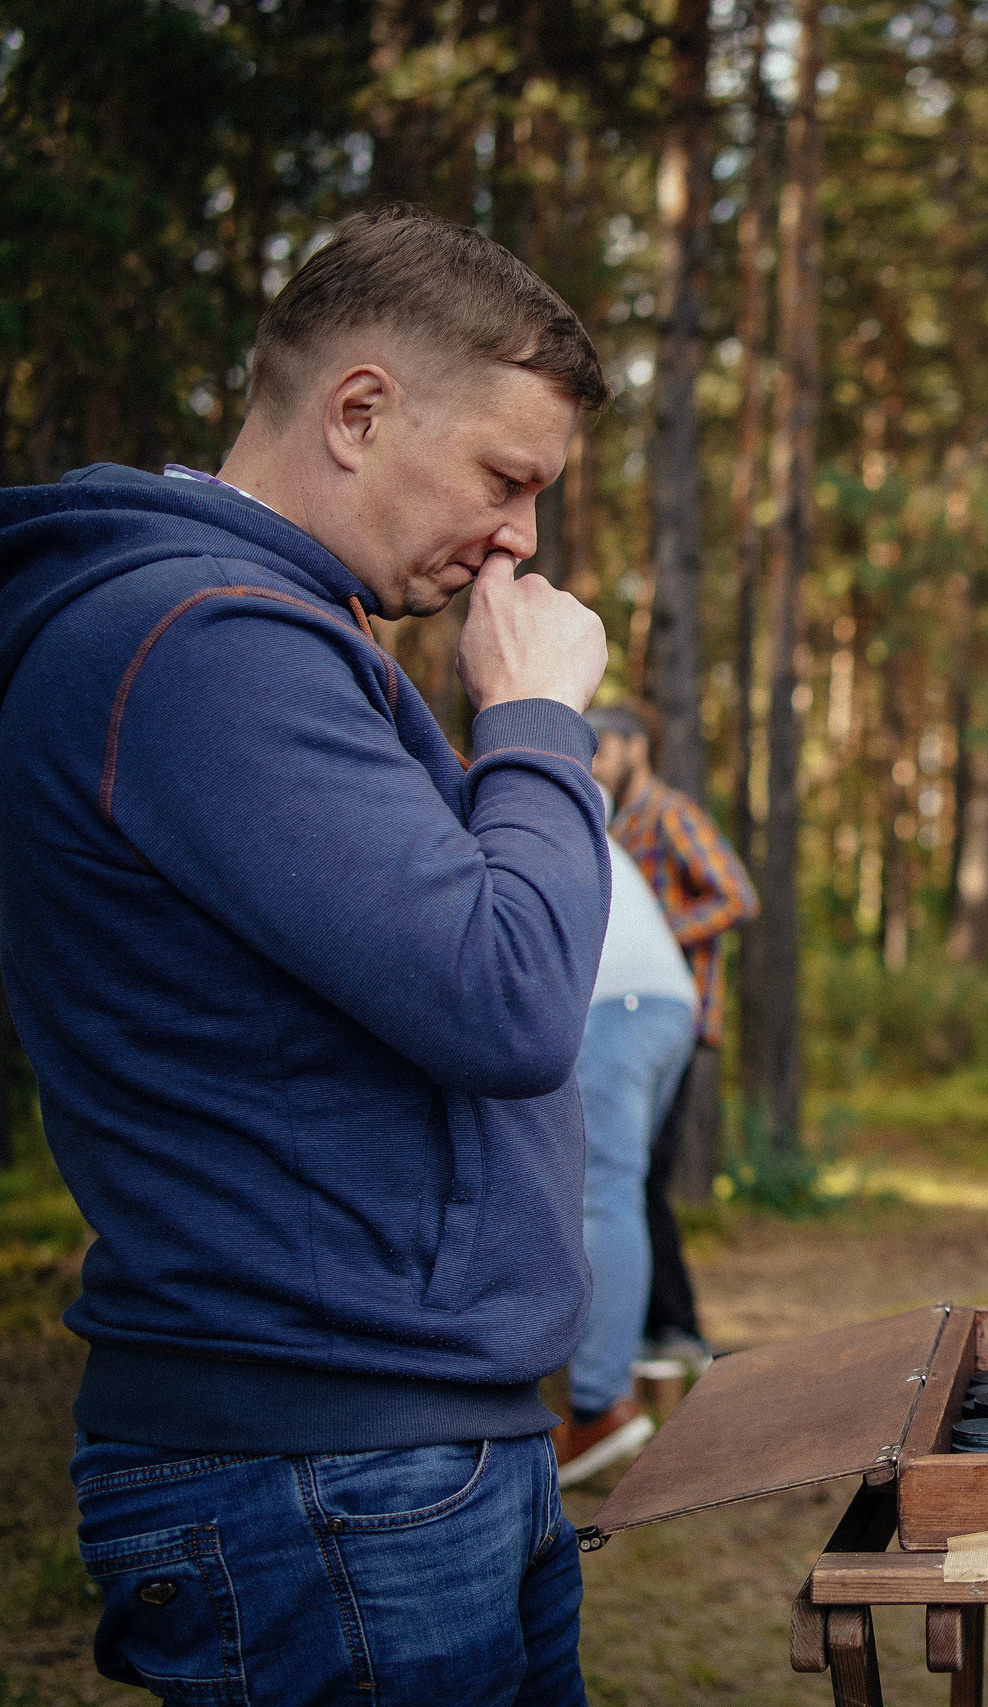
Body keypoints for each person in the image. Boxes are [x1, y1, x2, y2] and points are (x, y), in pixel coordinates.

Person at [0, 205, 613, 1703]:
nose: (522, 537)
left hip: (399, 1448)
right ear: (358, 409)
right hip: (326, 1470)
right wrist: (535, 721)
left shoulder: (254, 628)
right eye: (507, 478)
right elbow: (508, 990)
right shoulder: (202, 644)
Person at [583, 700, 758, 1377]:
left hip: (659, 1014)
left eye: (603, 747)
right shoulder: (618, 825)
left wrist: (658, 928)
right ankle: (662, 1327)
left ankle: (677, 1329)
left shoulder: (669, 814)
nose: (595, 761)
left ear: (635, 746)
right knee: (642, 1177)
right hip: (637, 1013)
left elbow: (737, 895)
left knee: (633, 1178)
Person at [550, 799, 700, 1487]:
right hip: (666, 1000)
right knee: (618, 1191)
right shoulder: (568, 806)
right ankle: (614, 1362)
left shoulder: (495, 800)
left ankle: (599, 1406)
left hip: (617, 1003)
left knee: (603, 1193)